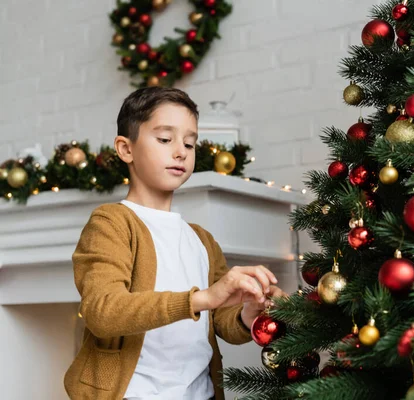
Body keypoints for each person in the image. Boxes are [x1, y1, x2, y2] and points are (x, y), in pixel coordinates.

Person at [64, 87, 285, 400]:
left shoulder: (202, 240)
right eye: (165, 139)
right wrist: (202, 298)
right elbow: (102, 311)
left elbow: (221, 321)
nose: (180, 151)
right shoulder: (111, 223)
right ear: (126, 149)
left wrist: (248, 314)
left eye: (189, 142)